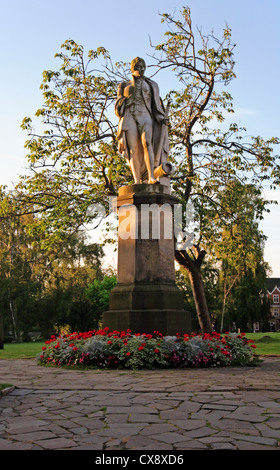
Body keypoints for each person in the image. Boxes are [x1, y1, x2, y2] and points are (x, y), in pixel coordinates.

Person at [115, 57, 169, 184]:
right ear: (133, 68)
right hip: (130, 116)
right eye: (137, 66)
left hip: (145, 116)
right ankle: (137, 181)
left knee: (147, 143)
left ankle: (151, 176)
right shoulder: (124, 85)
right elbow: (118, 109)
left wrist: (162, 119)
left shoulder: (151, 85)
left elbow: (155, 106)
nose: (140, 68)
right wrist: (122, 98)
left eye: (142, 66)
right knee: (133, 149)